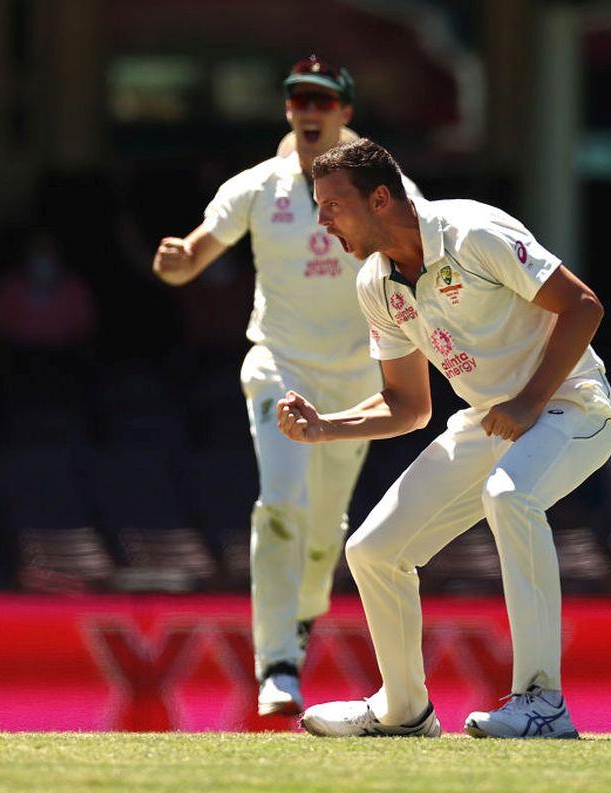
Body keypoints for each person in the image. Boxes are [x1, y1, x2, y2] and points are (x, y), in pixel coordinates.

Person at [278, 138, 611, 739]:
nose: (323, 222)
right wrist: (326, 426)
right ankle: (403, 711)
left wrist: (530, 399)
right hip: (492, 419)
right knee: (374, 549)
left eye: (331, 205)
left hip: (572, 405)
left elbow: (582, 305)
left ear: (380, 197)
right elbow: (407, 406)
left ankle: (542, 702)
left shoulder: (472, 233)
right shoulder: (375, 284)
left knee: (510, 497)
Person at [152, 56, 421, 718]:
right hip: (280, 365)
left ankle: (302, 616)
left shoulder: (380, 184)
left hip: (358, 376)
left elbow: (422, 244)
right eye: (298, 97)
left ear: (345, 113)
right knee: (280, 504)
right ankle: (276, 659)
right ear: (287, 110)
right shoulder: (256, 186)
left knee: (325, 529)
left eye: (322, 100)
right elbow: (196, 252)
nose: (309, 109)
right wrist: (179, 263)